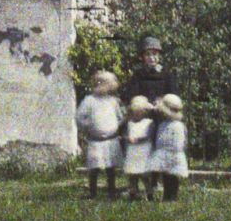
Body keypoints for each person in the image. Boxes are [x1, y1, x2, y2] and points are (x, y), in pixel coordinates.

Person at [75, 70, 125, 198]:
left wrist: (116, 127)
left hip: (111, 139)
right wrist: (88, 125)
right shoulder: (89, 100)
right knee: (94, 167)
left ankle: (112, 191)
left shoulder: (113, 101)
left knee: (110, 168)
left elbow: (120, 117)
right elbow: (79, 117)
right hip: (95, 140)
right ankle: (92, 192)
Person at [151, 93, 189, 201]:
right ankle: (166, 196)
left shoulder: (179, 125)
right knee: (166, 177)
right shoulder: (163, 124)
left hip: (174, 154)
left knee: (173, 177)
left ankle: (173, 196)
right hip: (163, 153)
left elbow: (183, 140)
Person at [124, 36, 177, 106]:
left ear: (159, 56)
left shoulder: (166, 74)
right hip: (143, 109)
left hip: (163, 109)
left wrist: (161, 100)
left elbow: (173, 95)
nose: (151, 58)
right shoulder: (138, 75)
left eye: (154, 54)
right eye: (147, 54)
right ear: (143, 57)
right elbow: (131, 96)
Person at [121, 95, 156, 199]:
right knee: (132, 175)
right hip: (132, 153)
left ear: (144, 112)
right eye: (134, 112)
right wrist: (126, 138)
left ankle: (149, 193)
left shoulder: (149, 123)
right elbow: (125, 134)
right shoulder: (130, 123)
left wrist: (137, 139)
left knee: (144, 176)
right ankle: (133, 193)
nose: (137, 114)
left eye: (139, 112)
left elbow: (149, 136)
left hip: (144, 152)